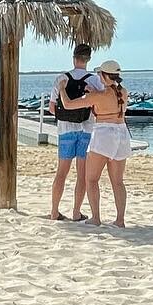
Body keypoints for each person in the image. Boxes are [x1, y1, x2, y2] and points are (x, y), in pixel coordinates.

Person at [47, 42, 104, 219]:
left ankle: (54, 211)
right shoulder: (94, 80)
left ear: (74, 58)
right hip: (86, 129)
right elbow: (100, 105)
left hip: (65, 130)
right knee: (82, 174)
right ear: (89, 59)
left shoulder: (61, 78)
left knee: (61, 173)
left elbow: (51, 108)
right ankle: (76, 212)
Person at [79, 59, 132, 226]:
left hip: (104, 134)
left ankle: (96, 218)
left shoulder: (99, 96)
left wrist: (61, 90)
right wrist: (95, 93)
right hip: (121, 133)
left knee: (91, 179)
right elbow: (110, 99)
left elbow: (69, 104)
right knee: (118, 181)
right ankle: (120, 220)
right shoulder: (123, 92)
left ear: (104, 75)